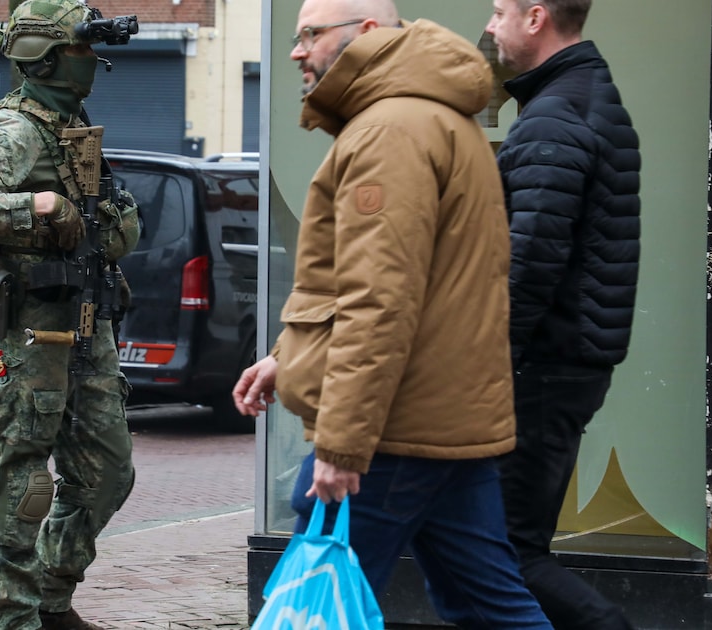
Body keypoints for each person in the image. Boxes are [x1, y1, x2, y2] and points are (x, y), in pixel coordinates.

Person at [233, 0, 552, 626]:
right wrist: (287, 357)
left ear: (368, 34)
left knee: (307, 609)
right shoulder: (424, 118)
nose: (297, 51)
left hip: (392, 429)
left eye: (311, 35)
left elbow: (377, 300)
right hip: (441, 415)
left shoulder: (389, 132)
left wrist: (343, 447)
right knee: (490, 605)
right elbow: (402, 287)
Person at [0, 1, 141, 628]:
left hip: (85, 324)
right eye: (82, 49)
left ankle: (53, 594)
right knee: (26, 478)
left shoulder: (68, 122)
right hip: (30, 331)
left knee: (107, 472)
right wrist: (40, 205)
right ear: (46, 57)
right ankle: (15, 615)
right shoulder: (16, 132)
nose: (91, 62)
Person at [485, 1, 641, 628]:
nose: (490, 26)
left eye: (499, 12)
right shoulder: (577, 98)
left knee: (509, 553)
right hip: (559, 364)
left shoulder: (556, 116)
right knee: (502, 549)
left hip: (541, 369)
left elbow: (528, 267)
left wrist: (483, 368)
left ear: (536, 17)